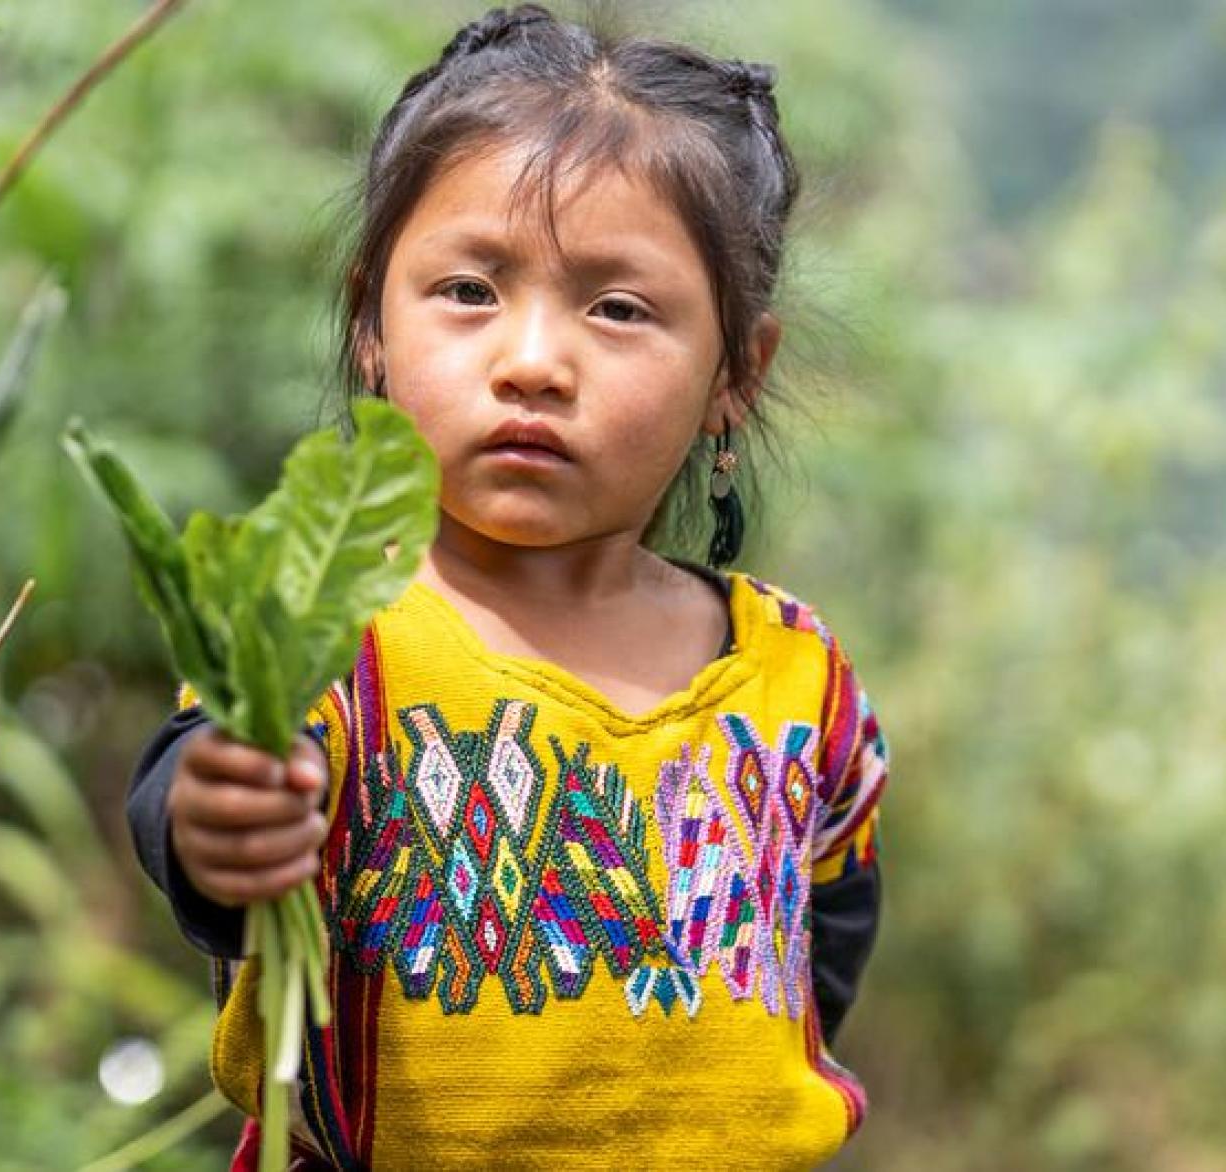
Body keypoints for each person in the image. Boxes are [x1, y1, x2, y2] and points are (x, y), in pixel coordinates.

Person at [127, 6, 889, 1169]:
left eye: (618, 308)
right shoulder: (330, 634)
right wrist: (217, 819)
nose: (533, 360)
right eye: (471, 291)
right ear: (370, 322)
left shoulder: (801, 679)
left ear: (736, 369)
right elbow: (194, 797)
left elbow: (825, 934)